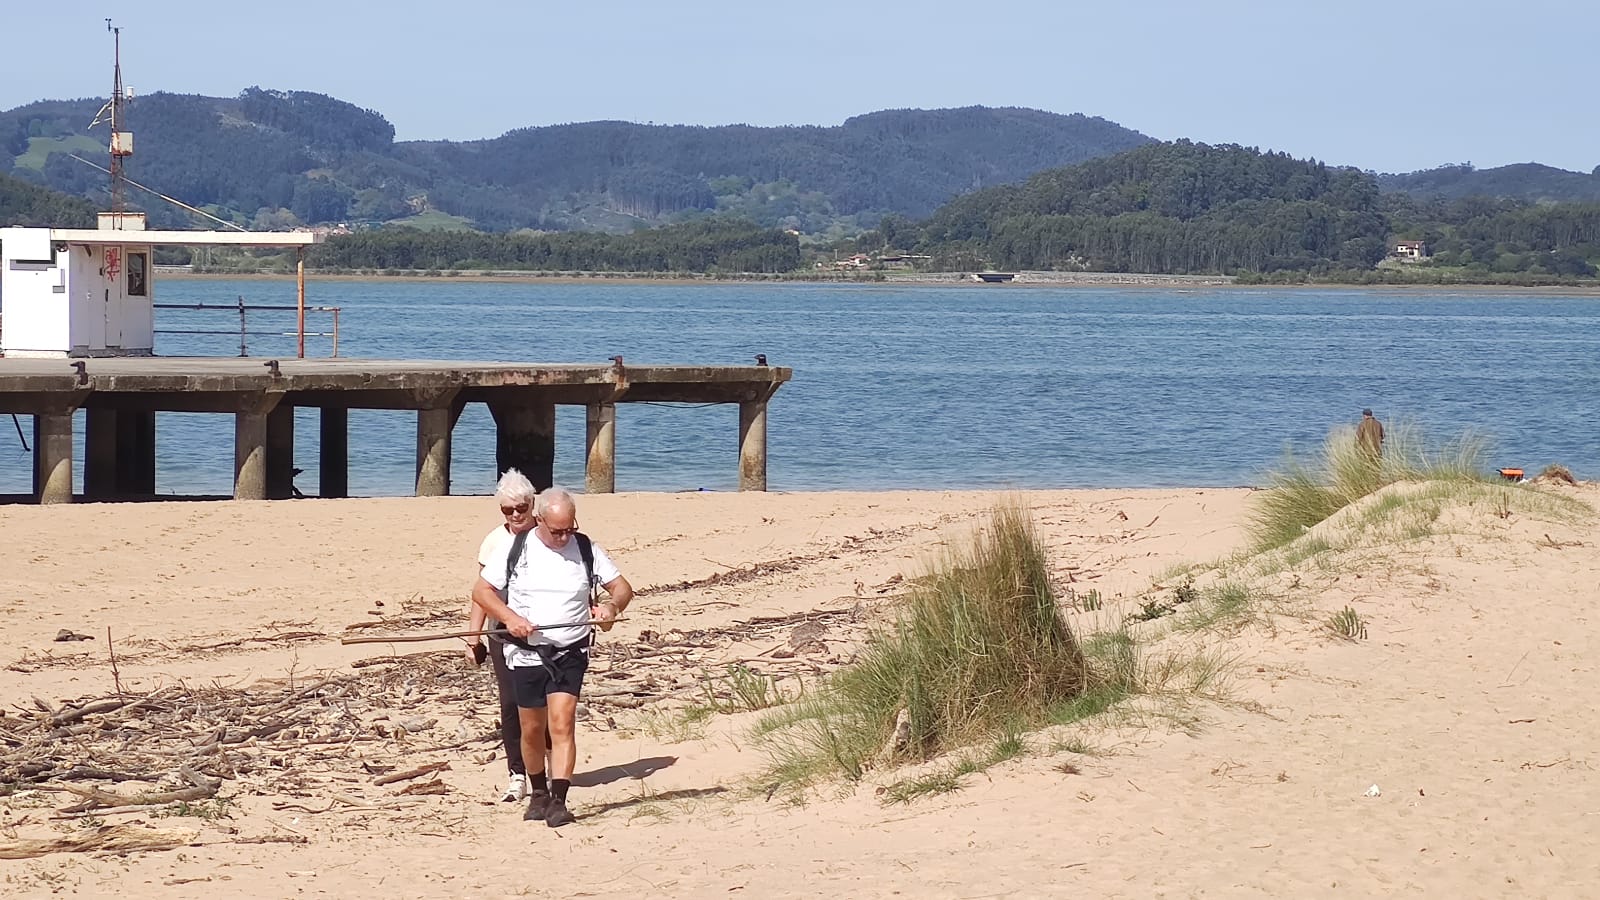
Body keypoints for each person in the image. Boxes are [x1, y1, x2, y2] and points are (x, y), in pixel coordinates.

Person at [471, 486, 634, 828]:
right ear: (539, 519)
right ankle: (539, 791)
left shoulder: (586, 548)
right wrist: (511, 619)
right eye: (556, 530)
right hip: (526, 653)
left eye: (569, 529)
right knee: (531, 730)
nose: (563, 537)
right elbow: (482, 592)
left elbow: (621, 588)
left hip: (571, 650)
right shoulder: (516, 548)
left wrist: (610, 607)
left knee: (562, 723)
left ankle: (559, 799)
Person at [464, 469, 539, 803]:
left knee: (544, 703)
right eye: (508, 510)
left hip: (544, 629)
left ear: (532, 503)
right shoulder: (494, 540)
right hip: (503, 632)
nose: (516, 515)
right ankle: (517, 773)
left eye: (521, 507)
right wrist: (473, 638)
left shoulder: (549, 535)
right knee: (510, 703)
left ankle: (546, 767)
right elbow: (481, 593)